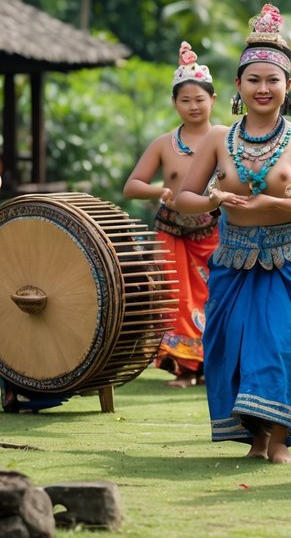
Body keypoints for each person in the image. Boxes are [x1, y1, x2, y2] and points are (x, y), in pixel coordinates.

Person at [174, 4, 291, 464]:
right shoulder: (216, 139)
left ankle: (280, 439)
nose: (263, 88)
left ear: (288, 87)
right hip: (232, 260)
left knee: (281, 345)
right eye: (254, 80)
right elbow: (184, 196)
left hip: (287, 263)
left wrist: (278, 204)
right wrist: (213, 200)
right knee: (234, 349)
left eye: (273, 80)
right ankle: (255, 439)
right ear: (238, 87)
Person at [123, 42, 223, 388]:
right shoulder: (165, 143)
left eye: (199, 99)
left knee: (215, 296)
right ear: (174, 104)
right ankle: (185, 367)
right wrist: (159, 191)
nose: (193, 106)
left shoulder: (226, 140)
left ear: (213, 99)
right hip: (171, 231)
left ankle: (211, 364)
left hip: (214, 232)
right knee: (176, 297)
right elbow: (132, 185)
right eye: (185, 100)